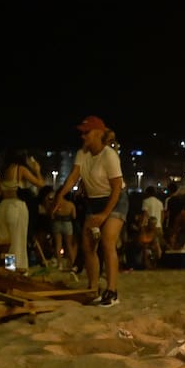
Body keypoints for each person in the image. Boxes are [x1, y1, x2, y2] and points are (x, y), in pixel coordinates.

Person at [50, 117, 126, 307]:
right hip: (93, 201)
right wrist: (60, 196)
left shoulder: (109, 155)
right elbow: (73, 177)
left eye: (87, 132)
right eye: (82, 133)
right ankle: (93, 288)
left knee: (107, 241)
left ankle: (112, 292)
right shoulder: (82, 154)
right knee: (88, 245)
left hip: (115, 200)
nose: (83, 136)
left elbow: (117, 187)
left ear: (99, 133)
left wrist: (104, 215)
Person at [0, 148, 45, 271]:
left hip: (2, 207)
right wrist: (37, 170)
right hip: (16, 207)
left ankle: (6, 268)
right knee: (17, 242)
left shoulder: (2, 172)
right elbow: (41, 184)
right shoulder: (20, 169)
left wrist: (6, 189)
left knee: (5, 242)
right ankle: (16, 271)